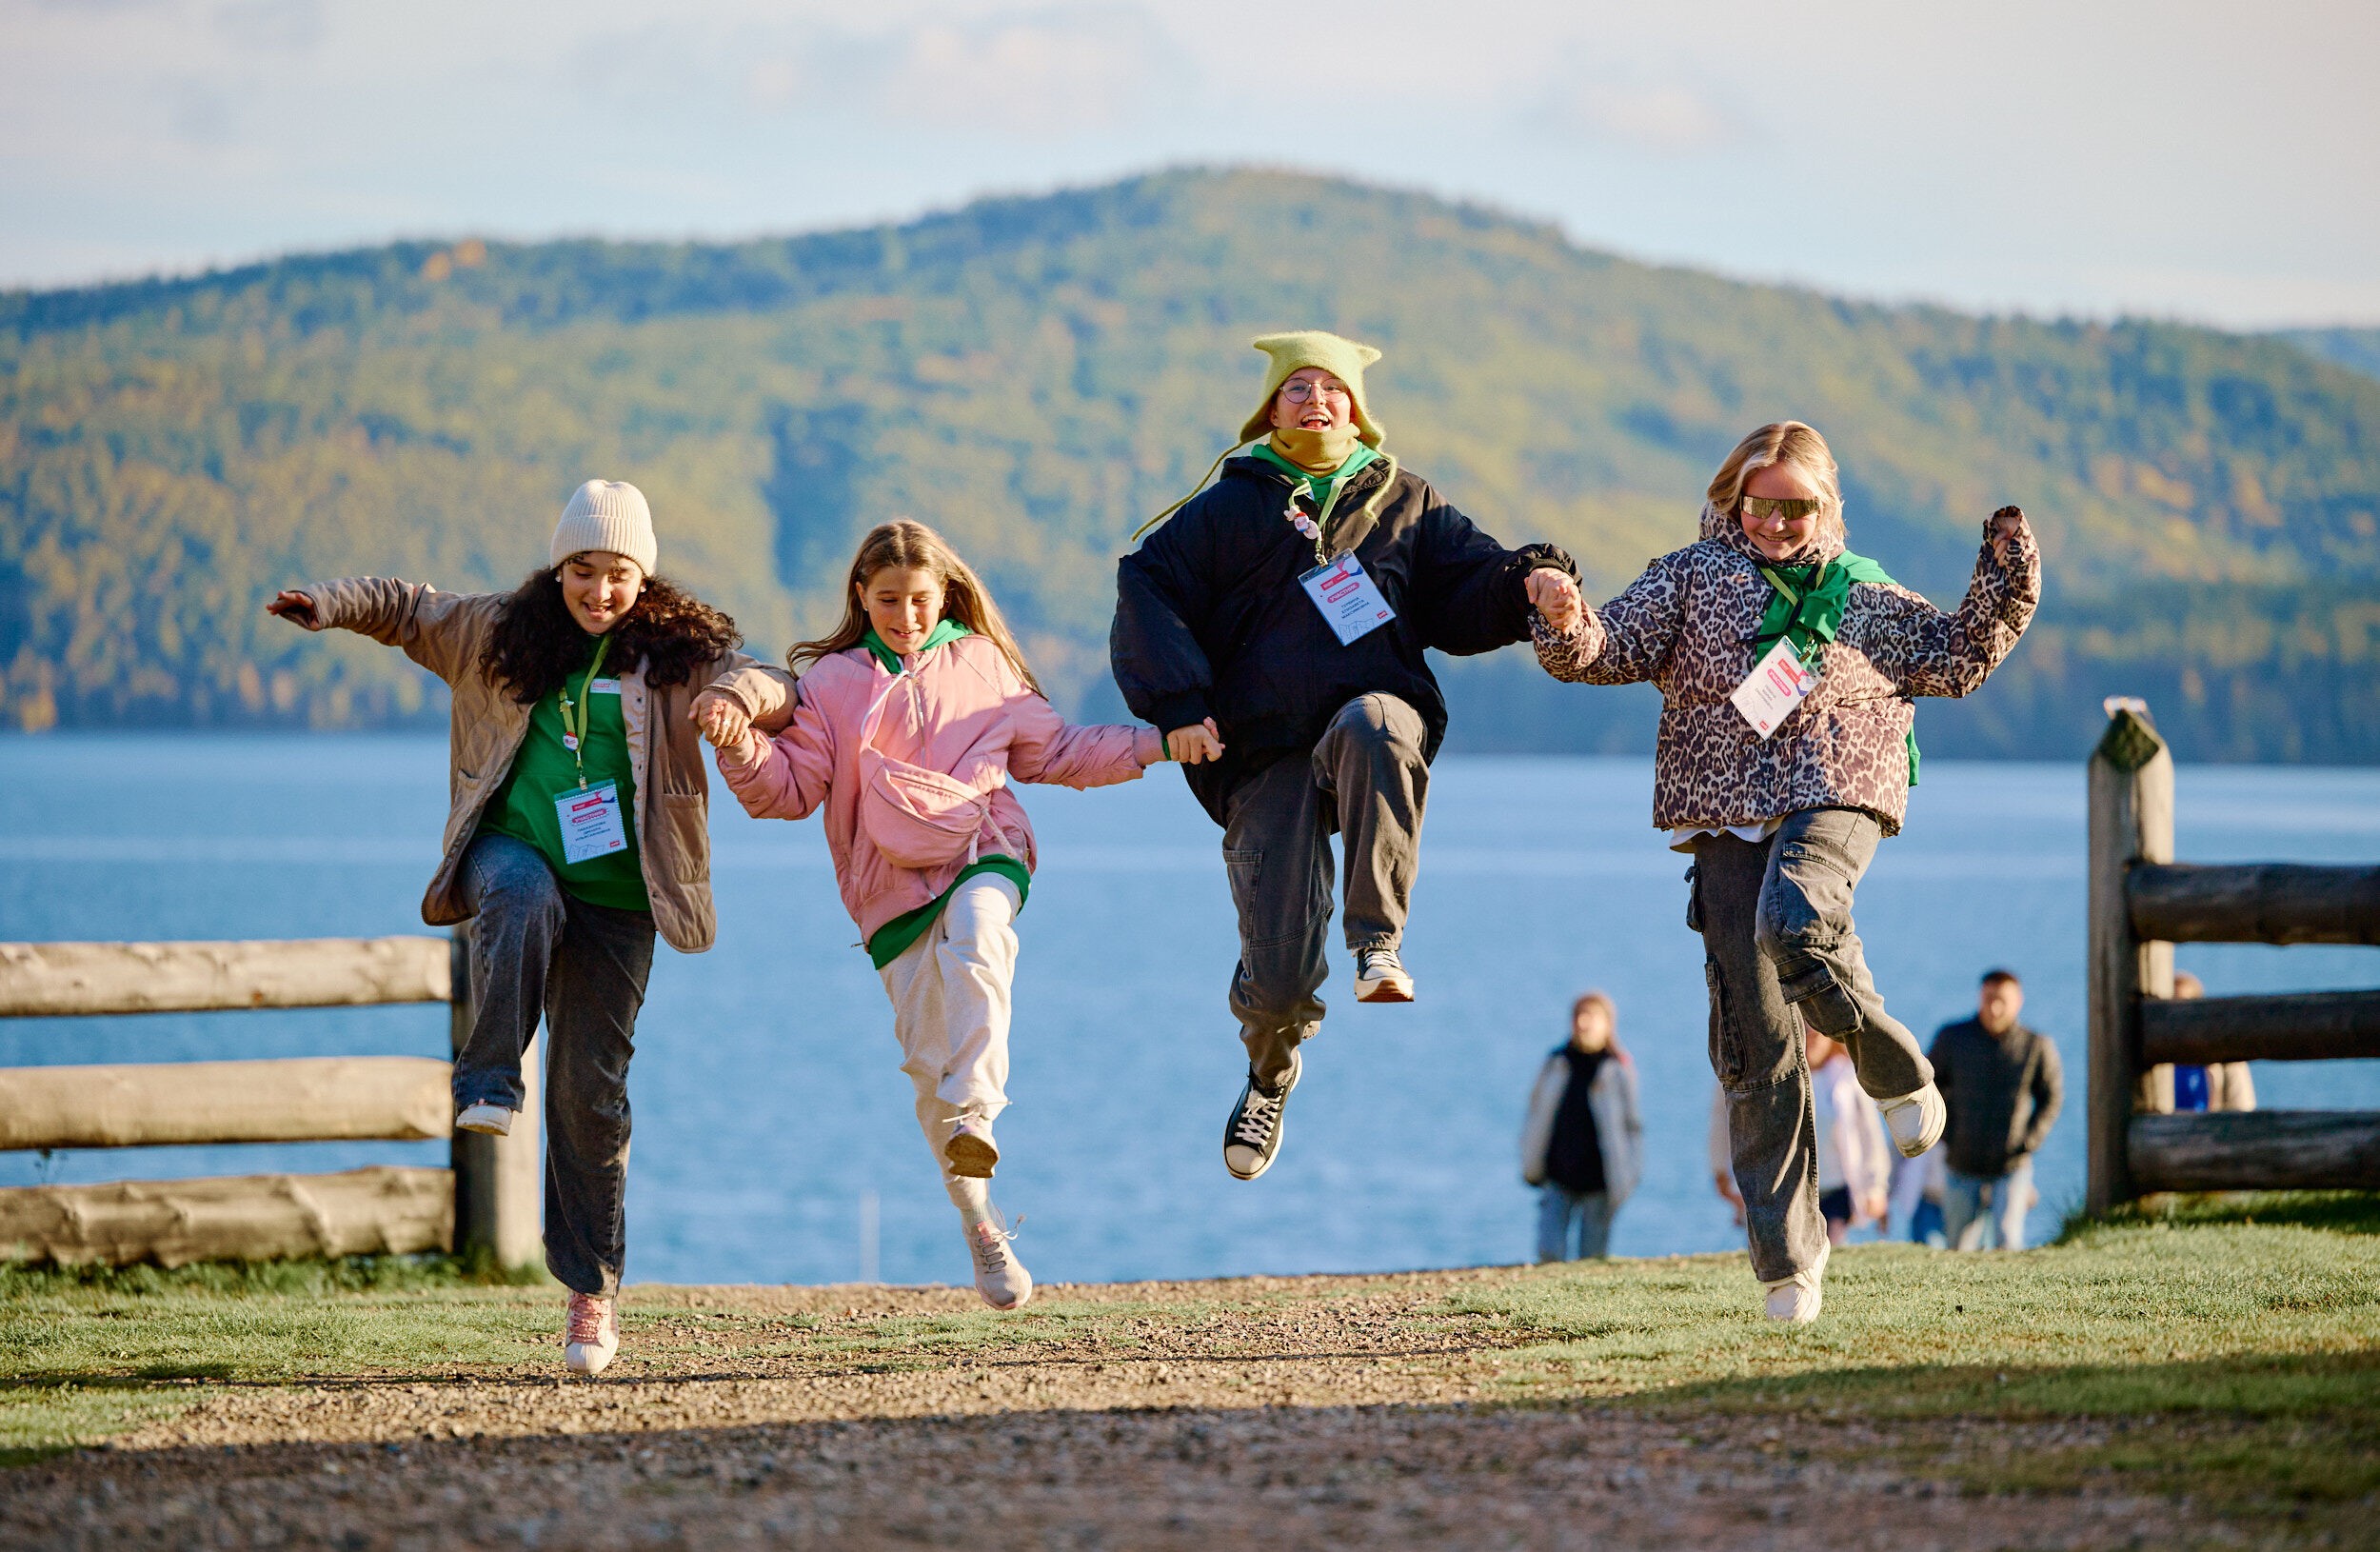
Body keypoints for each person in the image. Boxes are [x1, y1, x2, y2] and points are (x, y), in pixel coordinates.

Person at [266, 480, 794, 1375]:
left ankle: (591, 1293)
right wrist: (329, 606)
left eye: (617, 574)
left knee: (590, 1095)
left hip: (624, 898)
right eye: (582, 571)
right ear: (558, 570)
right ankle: (489, 1080)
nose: (598, 591)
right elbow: (405, 608)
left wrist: (738, 701)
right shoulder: (499, 633)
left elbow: (774, 678)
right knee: (522, 895)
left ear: (643, 577)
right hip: (512, 856)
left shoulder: (678, 654)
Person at [1529, 421, 2040, 1322]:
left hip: (1838, 787)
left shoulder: (1861, 592)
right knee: (1755, 1043)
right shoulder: (1692, 575)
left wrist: (2006, 572)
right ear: (1734, 499)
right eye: (1759, 504)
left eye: (1796, 506)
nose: (1776, 522)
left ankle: (1895, 1072)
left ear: (1824, 506)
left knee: (1796, 917)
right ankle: (1789, 1265)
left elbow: (1956, 657)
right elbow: (1608, 650)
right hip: (1723, 808)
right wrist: (1568, 622)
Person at [1111, 330, 1577, 1182]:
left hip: (1366, 731)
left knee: (1380, 725)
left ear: (1359, 409)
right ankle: (1269, 1073)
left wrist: (1529, 584)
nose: (1316, 401)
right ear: (1271, 407)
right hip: (1258, 752)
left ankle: (1378, 943)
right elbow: (1147, 584)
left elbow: (1471, 588)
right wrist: (1178, 705)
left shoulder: (1408, 499)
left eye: (1333, 388)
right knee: (1281, 977)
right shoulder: (1228, 505)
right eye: (1299, 388)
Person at [710, 520, 1168, 1311]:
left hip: (982, 848)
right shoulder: (832, 683)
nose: (907, 617)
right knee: (931, 1075)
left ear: (945, 593)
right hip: (888, 893)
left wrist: (1157, 745)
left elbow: (1057, 752)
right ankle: (981, 1225)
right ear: (861, 595)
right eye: (888, 600)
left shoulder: (986, 664)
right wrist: (739, 745)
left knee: (982, 936)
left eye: (921, 600)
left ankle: (982, 1109)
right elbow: (786, 793)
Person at [1930, 968, 2063, 1251]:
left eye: (2002, 999)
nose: (1995, 1007)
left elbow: (2051, 1098)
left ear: (2018, 1001)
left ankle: (2009, 1295)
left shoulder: (2035, 1046)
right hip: (1961, 1162)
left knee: (2008, 1240)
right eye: (1989, 998)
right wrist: (1944, 1133)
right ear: (1980, 997)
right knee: (1957, 1246)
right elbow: (1929, 1086)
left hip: (2011, 1164)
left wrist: (2029, 1141)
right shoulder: (1954, 1039)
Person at [1518, 993, 1644, 1261]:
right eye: (1579, 1016)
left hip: (1600, 1179)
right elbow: (1535, 1111)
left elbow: (1632, 1126)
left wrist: (1629, 1173)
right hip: (1557, 1173)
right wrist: (1529, 1159)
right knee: (1549, 1250)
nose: (1583, 1023)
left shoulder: (1617, 1068)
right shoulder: (1556, 1062)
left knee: (1592, 1256)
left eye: (1592, 1017)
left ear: (1608, 1024)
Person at [1809, 1030, 1892, 1246]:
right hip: (1798, 1190)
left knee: (1831, 1245)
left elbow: (1869, 1135)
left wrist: (1876, 1187)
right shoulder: (1782, 1082)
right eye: (1804, 1034)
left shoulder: (1846, 1078)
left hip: (1837, 1186)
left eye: (1816, 1035)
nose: (1811, 1041)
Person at [2145, 970, 2256, 1115]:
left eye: (2183, 1006)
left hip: (2208, 1133)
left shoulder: (2225, 1057)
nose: (2177, 1016)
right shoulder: (2149, 1056)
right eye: (2171, 1006)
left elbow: (2242, 1108)